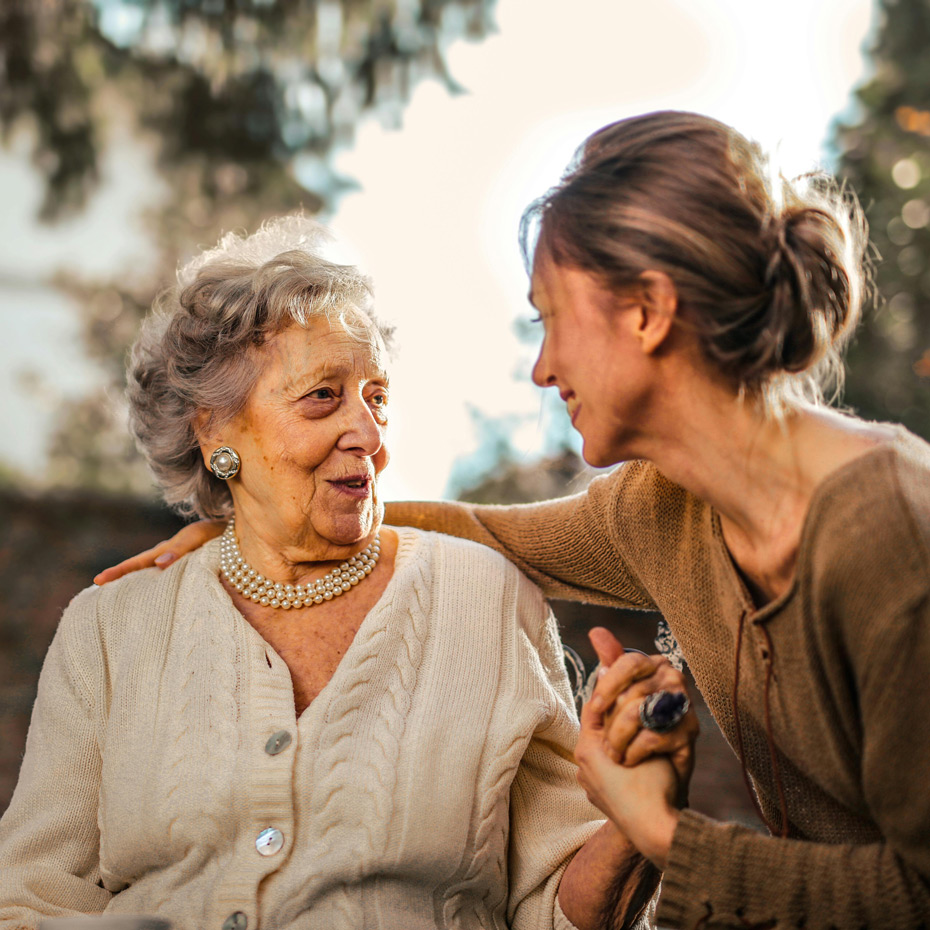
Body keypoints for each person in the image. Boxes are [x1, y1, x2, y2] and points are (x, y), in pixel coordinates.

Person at [105, 112, 930, 929]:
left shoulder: (887, 533)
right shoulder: (661, 509)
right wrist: (258, 522)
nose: (542, 369)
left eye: (551, 318)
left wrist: (660, 832)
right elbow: (486, 533)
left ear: (646, 311)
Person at [0, 217, 684, 930]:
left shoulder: (487, 600)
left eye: (377, 397)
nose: (369, 434)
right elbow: (27, 903)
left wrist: (635, 825)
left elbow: (557, 911)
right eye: (324, 395)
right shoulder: (111, 628)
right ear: (215, 432)